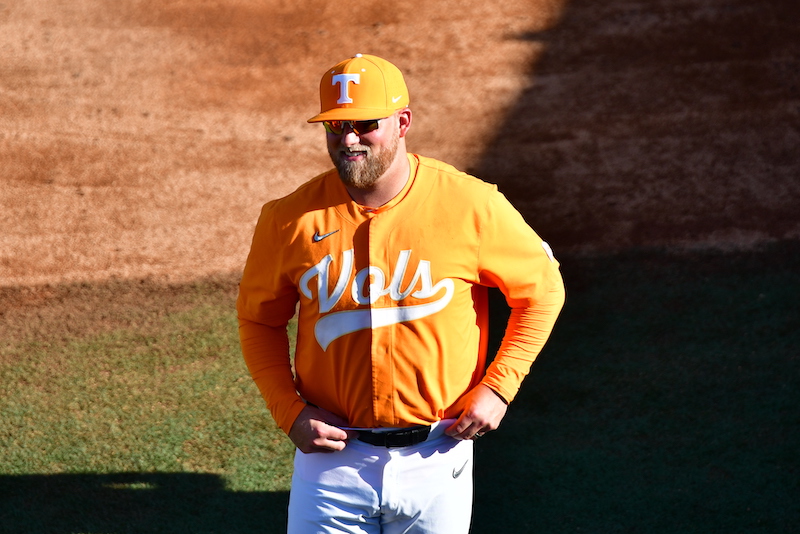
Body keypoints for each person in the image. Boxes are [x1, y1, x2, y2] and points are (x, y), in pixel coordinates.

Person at [236, 53, 565, 533]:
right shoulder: (288, 219)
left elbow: (543, 292)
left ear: (403, 122)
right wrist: (289, 411)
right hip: (331, 462)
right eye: (336, 126)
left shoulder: (471, 205)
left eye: (365, 124)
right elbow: (258, 319)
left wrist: (500, 386)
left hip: (440, 455)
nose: (349, 139)